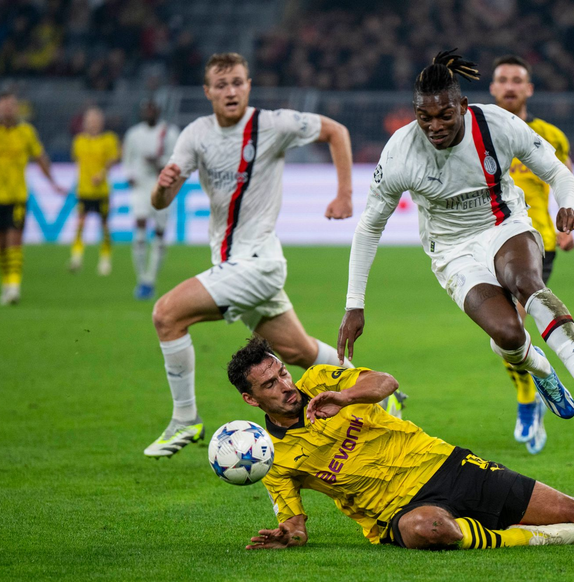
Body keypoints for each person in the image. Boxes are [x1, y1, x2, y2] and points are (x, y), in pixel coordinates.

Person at [226, 336, 574, 550]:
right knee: (426, 529)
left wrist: (343, 398)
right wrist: (286, 536)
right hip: (397, 512)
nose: (286, 386)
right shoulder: (273, 461)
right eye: (270, 384)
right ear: (252, 401)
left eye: (282, 374)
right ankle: (533, 538)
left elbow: (385, 382)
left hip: (444, 464)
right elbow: (294, 523)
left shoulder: (321, 379)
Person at [338, 50, 574, 432]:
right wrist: (355, 304)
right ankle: (540, 369)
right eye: (425, 117)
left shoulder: (496, 125)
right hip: (453, 252)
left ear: (463, 106)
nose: (434, 126)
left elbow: (558, 173)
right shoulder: (401, 153)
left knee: (528, 284)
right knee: (507, 334)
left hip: (504, 226)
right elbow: (369, 227)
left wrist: (568, 205)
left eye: (445, 115)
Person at [144, 52, 403, 459]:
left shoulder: (272, 124)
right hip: (234, 264)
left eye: (238, 83)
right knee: (299, 351)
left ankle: (185, 419)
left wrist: (345, 193)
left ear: (249, 85)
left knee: (166, 314)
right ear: (208, 91)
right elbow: (161, 200)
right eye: (222, 84)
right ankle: (376, 392)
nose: (231, 91)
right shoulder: (196, 134)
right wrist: (162, 187)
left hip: (257, 263)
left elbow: (336, 131)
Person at [489, 55, 574, 454]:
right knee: (502, 334)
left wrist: (565, 221)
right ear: (492, 88)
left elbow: (563, 177)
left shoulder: (550, 136)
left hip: (537, 243)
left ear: (529, 89)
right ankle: (532, 392)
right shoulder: (479, 132)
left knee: (509, 327)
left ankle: (528, 403)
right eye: (502, 80)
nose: (509, 86)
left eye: (516, 80)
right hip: (489, 242)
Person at [0, 92, 66, 305]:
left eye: (11, 105)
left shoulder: (26, 132)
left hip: (18, 196)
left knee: (14, 238)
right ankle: (6, 284)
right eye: (4, 105)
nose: (7, 109)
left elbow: (40, 158)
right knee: (0, 244)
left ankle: (14, 287)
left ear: (17, 109)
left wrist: (53, 182)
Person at [122, 100, 180, 299]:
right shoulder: (133, 134)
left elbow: (178, 160)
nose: (149, 112)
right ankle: (141, 279)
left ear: (158, 111)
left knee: (160, 233)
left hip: (162, 187)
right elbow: (127, 159)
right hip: (141, 187)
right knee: (139, 228)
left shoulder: (169, 133)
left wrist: (160, 163)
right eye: (146, 110)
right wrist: (129, 175)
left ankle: (151, 279)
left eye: (152, 109)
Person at [69, 106, 121, 275]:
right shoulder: (79, 141)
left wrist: (102, 173)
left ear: (101, 122)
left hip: (102, 191)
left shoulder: (108, 140)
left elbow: (115, 158)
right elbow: (76, 160)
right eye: (90, 121)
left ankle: (105, 260)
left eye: (95, 120)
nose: (93, 124)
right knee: (80, 225)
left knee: (105, 227)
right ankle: (76, 257)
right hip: (84, 190)